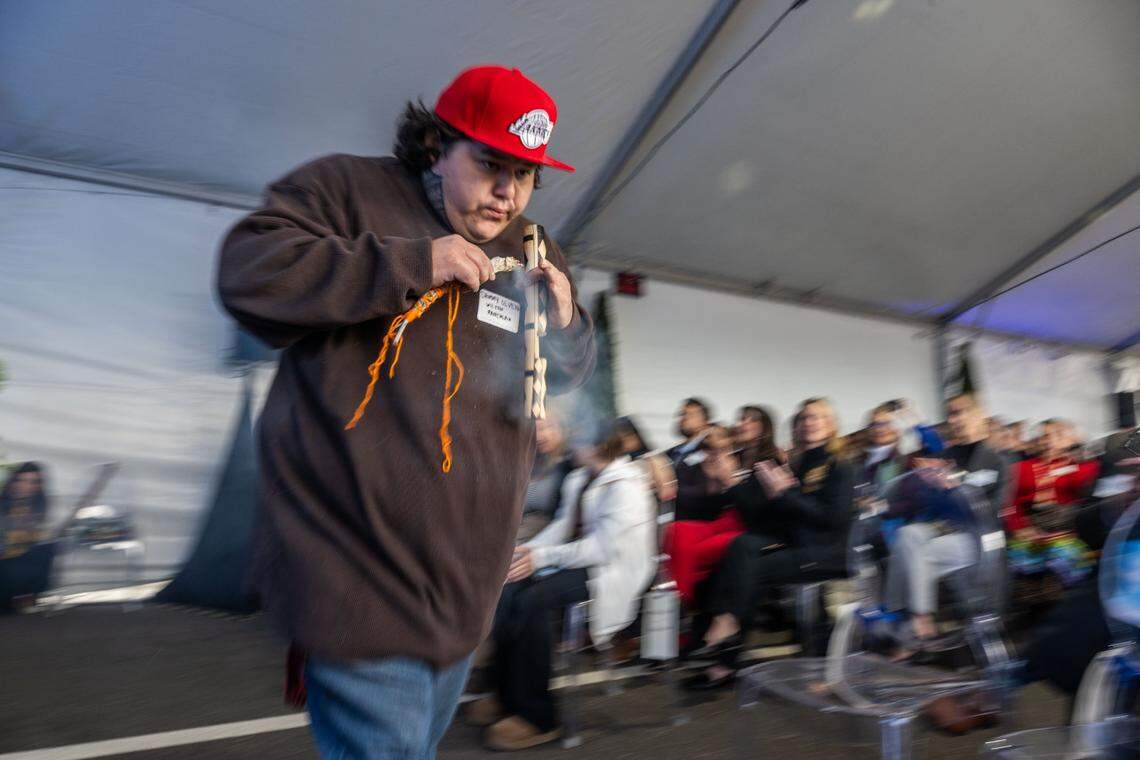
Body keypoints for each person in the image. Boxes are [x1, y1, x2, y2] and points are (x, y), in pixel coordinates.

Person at [217, 65, 595, 758]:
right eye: (489, 164)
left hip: (463, 587)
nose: (508, 192)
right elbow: (249, 272)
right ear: (433, 145)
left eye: (527, 173)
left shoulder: (534, 246)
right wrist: (411, 263)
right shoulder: (346, 190)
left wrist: (570, 324)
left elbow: (566, 373)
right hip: (355, 572)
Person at [468, 423, 656, 750]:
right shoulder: (579, 478)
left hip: (609, 571)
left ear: (596, 445)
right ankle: (505, 695)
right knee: (509, 589)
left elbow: (603, 549)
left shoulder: (627, 486)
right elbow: (562, 526)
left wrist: (540, 558)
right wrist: (526, 553)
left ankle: (539, 718)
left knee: (533, 601)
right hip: (581, 560)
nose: (571, 447)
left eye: (579, 441)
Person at [686, 398, 855, 689]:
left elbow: (833, 520)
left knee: (747, 568)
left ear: (830, 425)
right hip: (796, 546)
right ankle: (727, 631)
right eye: (803, 418)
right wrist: (738, 488)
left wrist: (784, 494)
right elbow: (765, 519)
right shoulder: (797, 463)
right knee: (742, 547)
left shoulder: (840, 464)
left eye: (816, 417)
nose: (808, 423)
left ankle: (725, 649)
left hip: (824, 552)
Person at [883, 392, 1009, 653]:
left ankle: (903, 621)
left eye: (963, 412)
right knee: (906, 536)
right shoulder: (946, 455)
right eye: (952, 413)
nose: (957, 419)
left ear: (979, 416)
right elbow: (932, 507)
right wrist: (932, 487)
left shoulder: (998, 460)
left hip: (979, 539)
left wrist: (956, 488)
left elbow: (990, 511)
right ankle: (922, 619)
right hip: (944, 531)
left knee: (912, 554)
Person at [664, 407, 783, 607]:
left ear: (765, 428)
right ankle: (681, 601)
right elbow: (715, 505)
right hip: (725, 520)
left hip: (751, 526)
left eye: (752, 420)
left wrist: (730, 482)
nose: (743, 423)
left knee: (693, 552)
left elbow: (757, 510)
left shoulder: (772, 460)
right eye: (742, 419)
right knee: (676, 530)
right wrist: (713, 482)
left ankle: (684, 606)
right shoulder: (734, 457)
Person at [0, 462, 55, 612]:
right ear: (13, 482)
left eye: (33, 482)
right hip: (4, 563)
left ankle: (26, 596)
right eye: (22, 481)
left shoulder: (38, 508)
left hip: (18, 563)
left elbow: (37, 540)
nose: (27, 486)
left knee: (48, 547)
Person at [517, 410, 575, 542]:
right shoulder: (529, 465)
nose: (540, 436)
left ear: (562, 428)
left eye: (548, 427)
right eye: (534, 430)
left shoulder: (570, 465)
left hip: (543, 547)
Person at [667, 398, 719, 521]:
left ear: (705, 422)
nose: (683, 418)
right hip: (671, 517)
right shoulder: (671, 452)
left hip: (695, 519)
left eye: (690, 415)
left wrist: (671, 491)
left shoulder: (709, 450)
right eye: (682, 414)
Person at [615, 415, 677, 507]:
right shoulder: (619, 462)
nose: (625, 442)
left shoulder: (654, 459)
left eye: (628, 436)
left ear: (637, 436)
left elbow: (667, 492)